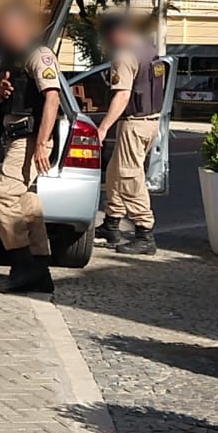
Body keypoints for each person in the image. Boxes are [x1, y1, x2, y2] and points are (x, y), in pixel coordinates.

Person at [0, 1, 62, 294]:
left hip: (30, 139)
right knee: (27, 202)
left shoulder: (39, 55)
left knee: (2, 195)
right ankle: (41, 271)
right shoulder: (9, 57)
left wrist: (42, 144)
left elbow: (52, 99)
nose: (0, 33)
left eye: (4, 28)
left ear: (20, 27)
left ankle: (23, 266)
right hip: (14, 138)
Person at [93, 14, 166, 256]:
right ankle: (112, 223)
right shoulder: (147, 50)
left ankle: (145, 232)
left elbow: (122, 96)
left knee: (129, 176)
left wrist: (102, 128)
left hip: (134, 124)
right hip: (150, 122)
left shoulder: (124, 55)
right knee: (116, 171)